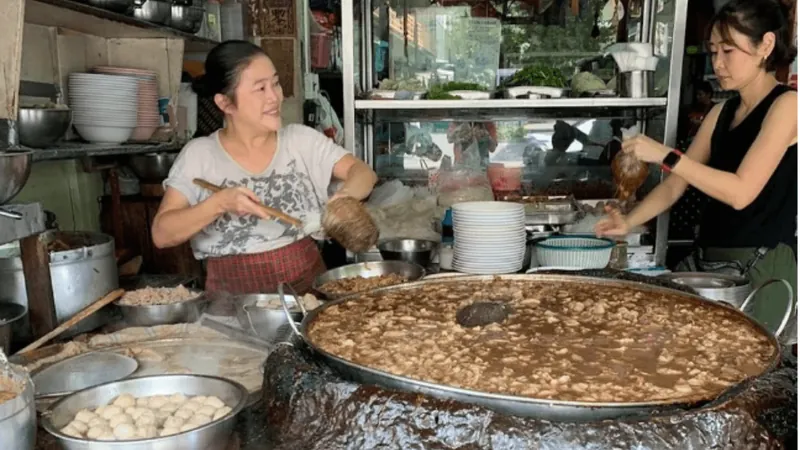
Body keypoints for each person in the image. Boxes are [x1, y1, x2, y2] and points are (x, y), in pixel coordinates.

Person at [595, 0, 797, 340]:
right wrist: (628, 222)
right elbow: (675, 186)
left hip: (761, 267)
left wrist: (667, 155)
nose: (717, 64)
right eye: (713, 51)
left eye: (728, 51)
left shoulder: (788, 106)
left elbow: (740, 192)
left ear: (765, 45)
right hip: (709, 261)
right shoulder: (721, 112)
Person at [151, 41, 377, 295]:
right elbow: (162, 233)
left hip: (306, 293)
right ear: (225, 103)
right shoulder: (200, 155)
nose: (275, 97)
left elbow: (363, 173)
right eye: (260, 88)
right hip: (231, 302)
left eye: (276, 83)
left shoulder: (300, 141)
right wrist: (220, 203)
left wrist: (343, 198)